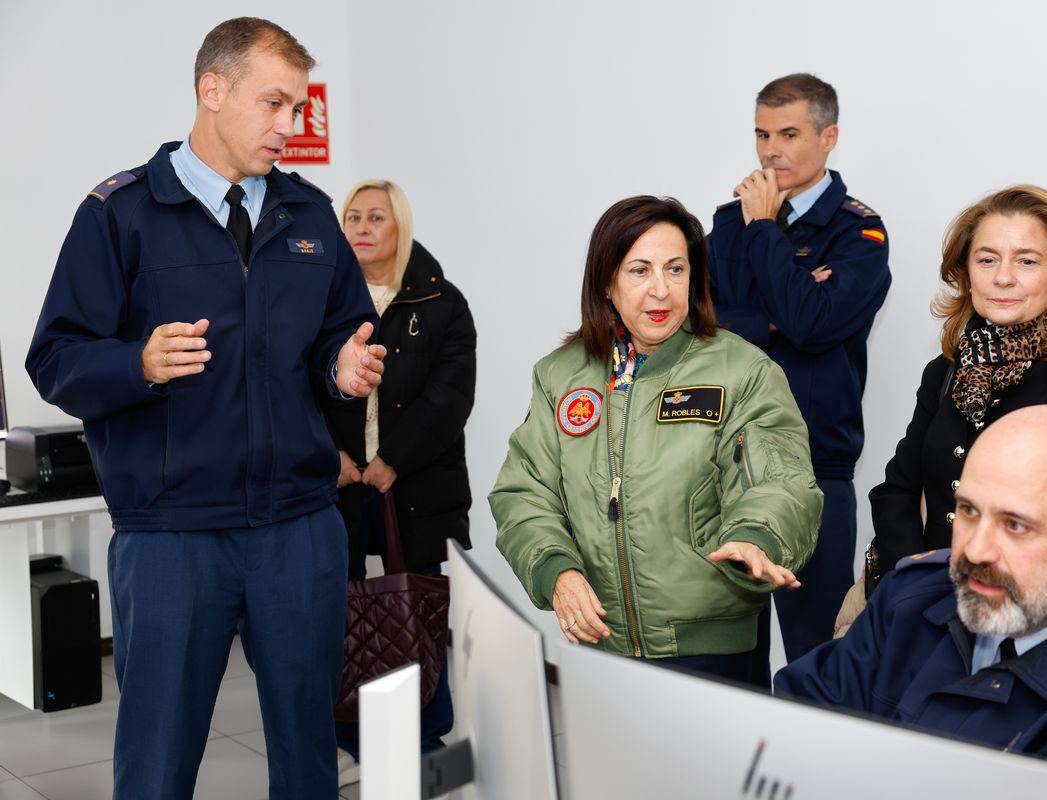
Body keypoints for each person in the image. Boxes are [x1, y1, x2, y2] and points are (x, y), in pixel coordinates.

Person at [25, 18, 384, 800]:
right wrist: (139, 364)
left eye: (299, 107)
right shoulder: (118, 215)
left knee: (307, 754)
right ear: (211, 90)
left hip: (298, 526)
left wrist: (345, 363)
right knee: (158, 761)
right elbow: (53, 357)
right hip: (172, 537)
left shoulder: (311, 215)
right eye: (276, 104)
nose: (291, 126)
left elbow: (336, 336)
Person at [776, 406, 1047, 798]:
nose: (976, 551)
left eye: (1015, 525)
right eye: (969, 511)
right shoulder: (913, 595)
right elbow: (793, 734)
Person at [490, 195, 823, 683]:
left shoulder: (743, 370)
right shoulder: (560, 376)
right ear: (607, 282)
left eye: (675, 270)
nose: (661, 291)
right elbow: (525, 494)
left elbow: (781, 482)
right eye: (639, 271)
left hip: (712, 652)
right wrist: (557, 573)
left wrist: (756, 537)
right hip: (600, 647)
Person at [864, 185, 1047, 597]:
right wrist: (916, 581)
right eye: (987, 259)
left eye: (1026, 261)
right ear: (967, 273)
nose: (1003, 277)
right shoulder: (945, 371)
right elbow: (895, 493)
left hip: (1023, 613)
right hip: (917, 604)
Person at [707, 73, 892, 668]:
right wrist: (776, 318)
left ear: (828, 136)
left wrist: (765, 231)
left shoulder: (858, 231)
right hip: (724, 463)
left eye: (788, 133)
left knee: (817, 658)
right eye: (762, 134)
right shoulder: (728, 221)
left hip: (814, 468)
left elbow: (812, 323)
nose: (770, 150)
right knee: (729, 658)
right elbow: (697, 325)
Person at [320, 180, 475, 780]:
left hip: (416, 487)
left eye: (375, 217)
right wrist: (329, 453)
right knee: (338, 614)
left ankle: (426, 734)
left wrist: (394, 460)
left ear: (400, 226)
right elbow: (299, 383)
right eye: (352, 216)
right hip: (336, 483)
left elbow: (449, 397)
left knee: (416, 610)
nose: (360, 226)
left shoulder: (443, 302)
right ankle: (345, 729)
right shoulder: (324, 301)